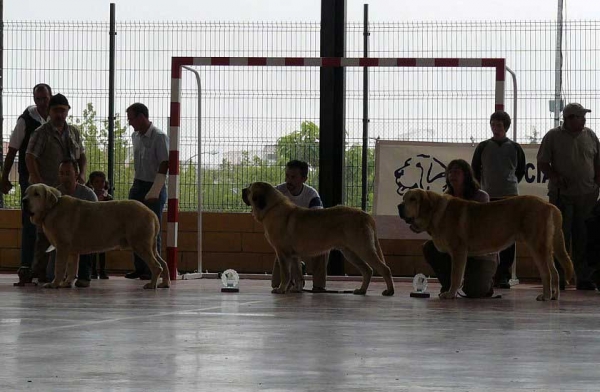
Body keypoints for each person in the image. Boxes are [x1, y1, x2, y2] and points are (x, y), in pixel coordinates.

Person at [537, 103, 600, 290]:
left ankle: (584, 277)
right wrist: (555, 177)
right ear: (569, 118)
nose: (584, 119)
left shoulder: (590, 135)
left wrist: (597, 181)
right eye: (580, 116)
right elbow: (542, 162)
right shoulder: (553, 136)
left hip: (587, 195)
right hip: (561, 196)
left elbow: (598, 160)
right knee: (560, 236)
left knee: (584, 236)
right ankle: (561, 277)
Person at [26, 93, 87, 281]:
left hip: (71, 195)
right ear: (49, 112)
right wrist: (39, 184)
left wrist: (82, 174)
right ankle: (40, 274)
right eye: (56, 111)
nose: (59, 114)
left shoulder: (74, 132)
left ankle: (78, 275)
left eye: (63, 110)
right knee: (45, 234)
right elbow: (30, 157)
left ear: (68, 111)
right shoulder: (41, 133)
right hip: (48, 194)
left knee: (76, 234)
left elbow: (82, 156)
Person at [422, 159, 498, 298]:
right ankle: (450, 285)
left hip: (480, 254)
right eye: (449, 172)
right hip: (456, 250)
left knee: (476, 292)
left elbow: (482, 227)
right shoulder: (445, 199)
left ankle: (485, 283)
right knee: (430, 247)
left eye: (456, 171)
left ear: (467, 175)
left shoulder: (481, 196)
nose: (452, 175)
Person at [0, 83, 52, 283]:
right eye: (38, 99)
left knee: (52, 222)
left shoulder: (55, 118)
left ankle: (45, 267)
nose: (41, 102)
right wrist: (4, 177)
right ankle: (25, 266)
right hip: (29, 177)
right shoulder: (26, 121)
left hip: (50, 177)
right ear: (34, 99)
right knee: (30, 221)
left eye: (44, 98)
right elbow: (12, 149)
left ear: (50, 97)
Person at [471, 110, 526, 289]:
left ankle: (504, 274)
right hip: (489, 196)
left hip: (509, 196)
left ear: (506, 127)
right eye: (493, 125)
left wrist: (508, 184)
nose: (495, 128)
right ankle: (487, 272)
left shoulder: (515, 148)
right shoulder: (483, 147)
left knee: (509, 236)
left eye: (499, 125)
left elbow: (520, 172)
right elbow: (474, 170)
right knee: (489, 236)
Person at [125, 103, 168, 280]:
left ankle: (153, 268)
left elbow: (165, 163)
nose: (130, 123)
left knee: (152, 229)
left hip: (153, 186)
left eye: (131, 118)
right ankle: (140, 267)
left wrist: (156, 189)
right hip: (137, 184)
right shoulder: (135, 136)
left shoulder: (159, 136)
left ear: (142, 117)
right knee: (132, 228)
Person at [271, 160, 329, 292]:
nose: (288, 180)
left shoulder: (312, 195)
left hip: (308, 238)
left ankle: (319, 285)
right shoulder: (278, 192)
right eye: (287, 176)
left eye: (293, 177)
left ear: (304, 179)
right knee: (275, 284)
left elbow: (318, 220)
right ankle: (293, 274)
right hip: (287, 240)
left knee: (324, 249)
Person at [47, 159, 98, 287]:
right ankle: (57, 276)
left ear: (76, 174)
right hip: (62, 237)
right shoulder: (54, 195)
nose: (64, 177)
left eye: (68, 173)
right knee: (57, 247)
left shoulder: (88, 194)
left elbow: (97, 218)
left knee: (86, 243)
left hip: (85, 234)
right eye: (61, 173)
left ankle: (83, 275)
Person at [87, 171, 113, 279]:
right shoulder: (89, 196)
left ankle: (102, 270)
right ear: (91, 183)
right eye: (96, 182)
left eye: (102, 181)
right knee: (92, 250)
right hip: (92, 226)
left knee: (102, 250)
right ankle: (92, 271)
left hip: (104, 226)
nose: (100, 184)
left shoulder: (108, 197)